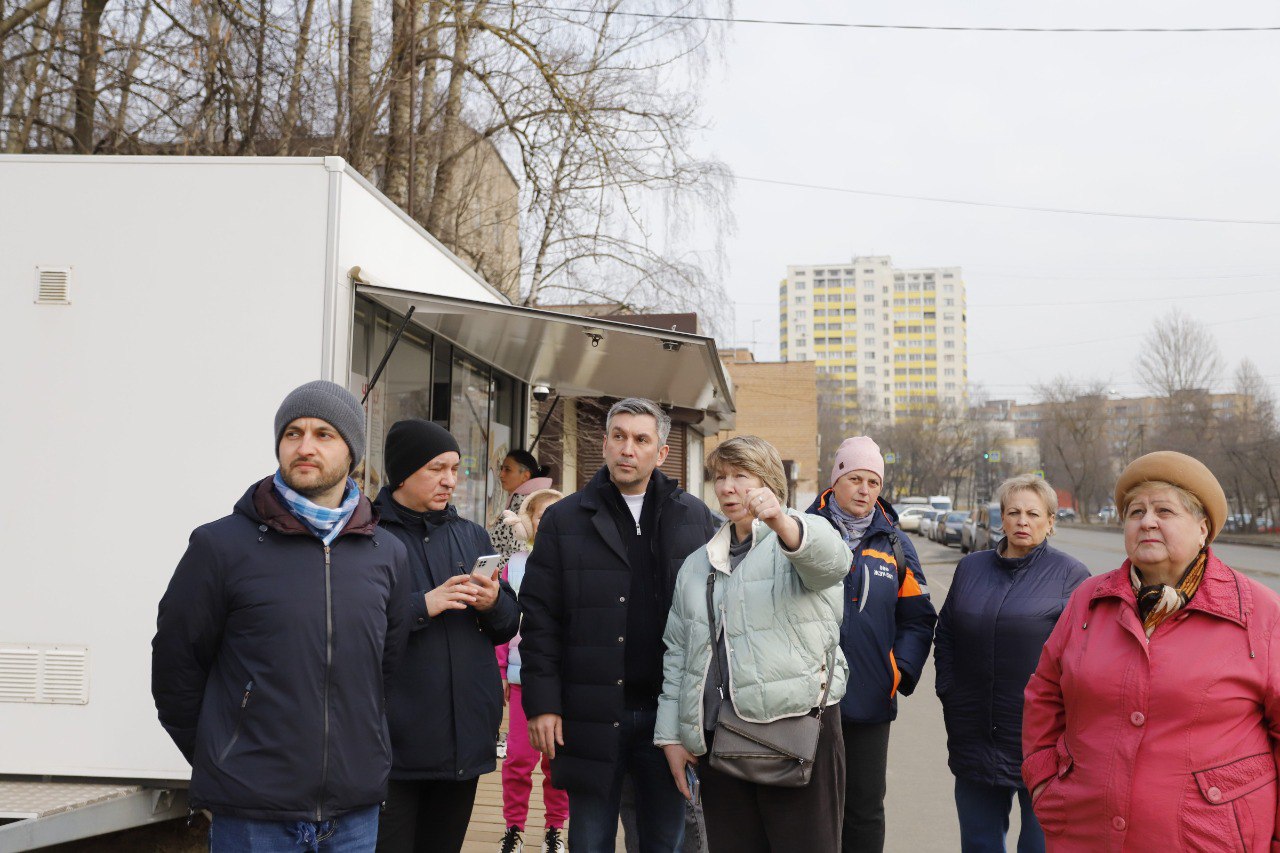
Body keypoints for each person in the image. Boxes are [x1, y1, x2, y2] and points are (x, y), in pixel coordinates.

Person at [152, 380, 411, 852]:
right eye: (293, 433)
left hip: (354, 811)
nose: (305, 446)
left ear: (351, 449)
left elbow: (385, 670)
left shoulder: (386, 553)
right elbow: (175, 666)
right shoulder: (221, 546)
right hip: (253, 813)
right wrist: (223, 760)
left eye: (323, 434)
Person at [1023, 451, 1280, 850]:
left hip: (1212, 839)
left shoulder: (1260, 613)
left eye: (1164, 510)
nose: (1147, 521)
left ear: (1202, 528)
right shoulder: (1088, 600)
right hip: (1086, 832)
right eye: (1135, 511)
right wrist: (1044, 783)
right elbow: (1044, 693)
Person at [519, 397, 719, 853]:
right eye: (619, 436)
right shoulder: (564, 520)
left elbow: (711, 620)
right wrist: (542, 703)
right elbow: (540, 620)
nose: (628, 448)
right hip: (589, 711)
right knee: (589, 840)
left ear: (661, 452)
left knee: (663, 841)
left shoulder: (694, 518)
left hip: (667, 717)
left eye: (641, 439)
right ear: (605, 443)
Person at [655, 436, 852, 853]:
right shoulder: (698, 563)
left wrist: (781, 521)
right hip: (719, 740)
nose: (727, 487)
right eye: (720, 477)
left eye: (740, 476)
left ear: (768, 483)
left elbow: (832, 562)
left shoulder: (801, 535)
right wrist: (672, 736)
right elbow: (678, 655)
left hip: (798, 734)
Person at [373, 419, 520, 853]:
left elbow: (508, 625)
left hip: (464, 744)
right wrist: (423, 605)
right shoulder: (369, 537)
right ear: (403, 472)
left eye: (455, 469)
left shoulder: (470, 535)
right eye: (437, 468)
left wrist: (493, 601)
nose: (450, 481)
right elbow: (351, 628)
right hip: (393, 748)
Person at [934, 475, 1088, 853]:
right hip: (974, 732)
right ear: (1000, 519)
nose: (1023, 520)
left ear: (1051, 522)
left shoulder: (1072, 576)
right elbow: (946, 634)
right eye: (1013, 512)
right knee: (979, 842)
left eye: (1033, 513)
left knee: (1040, 844)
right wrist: (949, 692)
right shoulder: (971, 568)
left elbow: (1085, 658)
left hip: (1044, 739)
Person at [805, 436, 937, 853]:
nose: (864, 490)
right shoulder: (803, 532)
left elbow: (918, 619)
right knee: (807, 807)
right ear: (836, 480)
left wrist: (898, 672)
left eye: (873, 482)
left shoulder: (895, 545)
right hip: (805, 700)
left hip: (869, 700)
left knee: (864, 809)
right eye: (855, 478)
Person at [496, 488, 568, 853]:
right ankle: (513, 828)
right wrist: (501, 667)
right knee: (518, 760)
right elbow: (503, 619)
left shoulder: (577, 562)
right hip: (521, 677)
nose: (548, 520)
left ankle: (554, 829)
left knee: (557, 764)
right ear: (528, 521)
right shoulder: (514, 564)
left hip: (564, 681)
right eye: (540, 514)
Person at [490, 449, 554, 561]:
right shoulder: (520, 501)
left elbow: (519, 551)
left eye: (507, 470)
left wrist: (489, 567)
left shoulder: (528, 506)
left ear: (525, 476)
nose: (501, 474)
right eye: (501, 469)